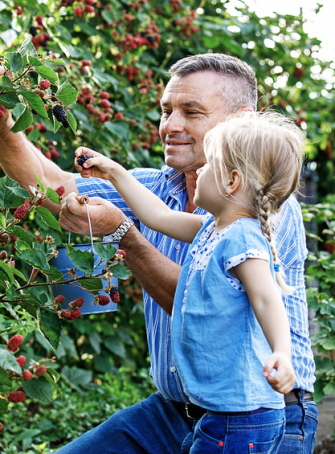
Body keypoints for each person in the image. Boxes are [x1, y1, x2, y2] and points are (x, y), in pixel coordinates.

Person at [0, 54, 318, 453]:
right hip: (176, 412)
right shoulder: (168, 191)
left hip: (258, 418)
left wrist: (124, 236)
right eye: (166, 110)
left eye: (191, 111)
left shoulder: (264, 210)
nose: (171, 125)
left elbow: (201, 302)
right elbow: (53, 186)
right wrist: (5, 119)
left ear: (243, 120)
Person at [74, 111, 300, 453]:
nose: (198, 171)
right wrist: (114, 173)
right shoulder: (213, 227)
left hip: (242, 416)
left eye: (208, 165)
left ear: (232, 181)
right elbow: (157, 215)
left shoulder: (244, 240)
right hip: (221, 412)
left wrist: (283, 352)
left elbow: (268, 300)